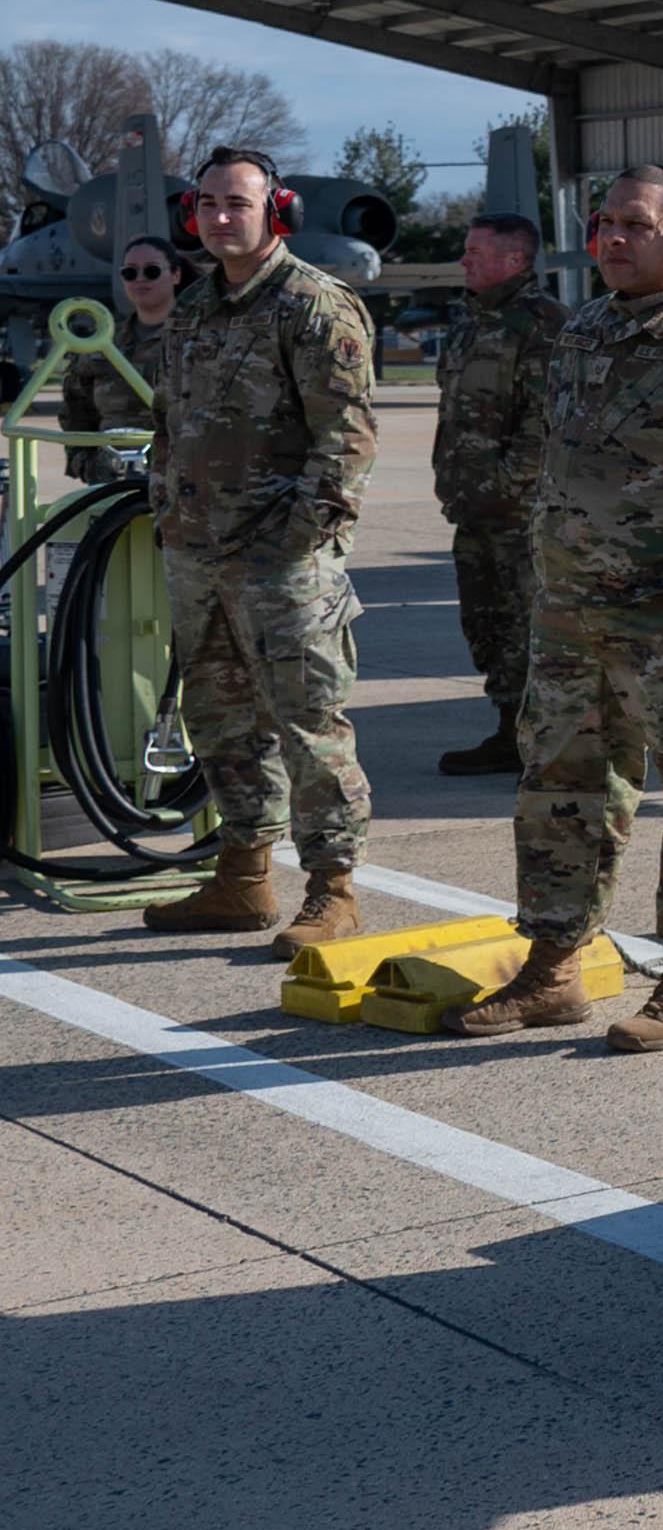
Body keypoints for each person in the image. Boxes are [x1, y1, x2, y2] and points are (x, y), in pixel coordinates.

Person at [440, 165, 663, 1051]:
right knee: (558, 790)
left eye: (635, 224)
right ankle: (554, 967)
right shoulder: (586, 329)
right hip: (568, 615)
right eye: (603, 222)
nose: (612, 239)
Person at [137, 147, 379, 954]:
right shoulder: (198, 306)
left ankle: (333, 889)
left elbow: (345, 443)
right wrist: (168, 505)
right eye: (206, 204)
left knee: (309, 726)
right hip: (199, 555)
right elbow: (170, 423)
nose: (218, 217)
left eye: (236, 204)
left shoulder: (315, 306)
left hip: (282, 565)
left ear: (276, 210)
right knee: (219, 721)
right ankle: (242, 877)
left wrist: (295, 546)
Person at [432, 214, 567, 775]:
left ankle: (551, 745)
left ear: (514, 260)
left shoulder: (543, 325)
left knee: (531, 628)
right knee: (487, 627)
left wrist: (507, 486)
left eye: (475, 252)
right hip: (473, 510)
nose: (463, 261)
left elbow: (545, 425)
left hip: (522, 515)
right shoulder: (468, 322)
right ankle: (510, 731)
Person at [61, 235, 182, 485]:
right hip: (111, 485)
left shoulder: (202, 339)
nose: (140, 279)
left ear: (175, 275)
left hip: (183, 487)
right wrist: (85, 463)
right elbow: (75, 412)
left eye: (152, 271)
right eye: (130, 272)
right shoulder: (103, 343)